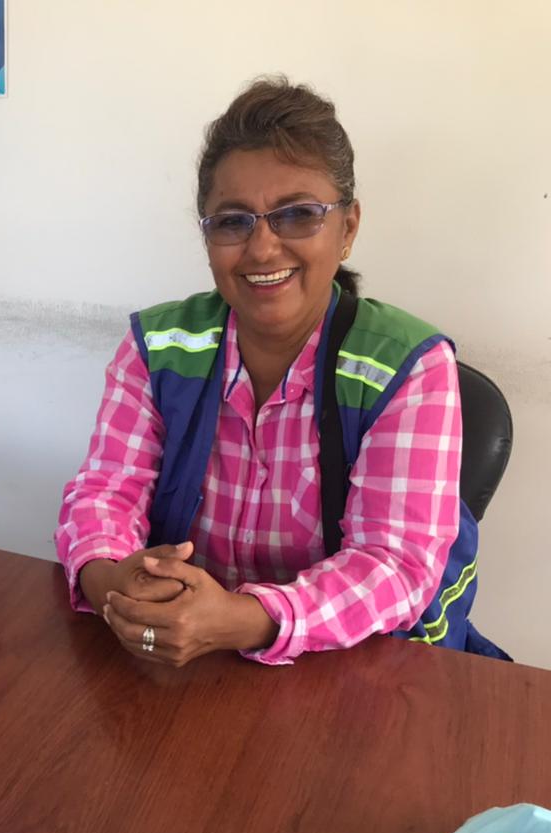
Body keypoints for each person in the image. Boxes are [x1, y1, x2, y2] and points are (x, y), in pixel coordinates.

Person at [55, 77, 505, 668]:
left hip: (353, 667)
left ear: (348, 228)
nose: (263, 248)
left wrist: (245, 619)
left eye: (298, 215)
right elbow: (104, 492)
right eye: (233, 221)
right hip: (187, 664)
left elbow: (394, 566)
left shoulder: (409, 367)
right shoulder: (157, 347)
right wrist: (113, 583)